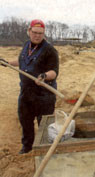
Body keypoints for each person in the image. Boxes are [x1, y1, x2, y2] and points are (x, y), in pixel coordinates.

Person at [0, 19, 59, 154]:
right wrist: (7, 63)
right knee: (25, 120)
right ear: (29, 31)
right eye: (35, 32)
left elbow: (54, 72)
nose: (37, 35)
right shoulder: (27, 45)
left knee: (44, 125)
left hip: (44, 95)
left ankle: (44, 150)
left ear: (44, 34)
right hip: (26, 93)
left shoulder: (50, 50)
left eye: (40, 33)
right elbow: (22, 61)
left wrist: (44, 76)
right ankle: (27, 147)